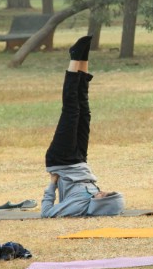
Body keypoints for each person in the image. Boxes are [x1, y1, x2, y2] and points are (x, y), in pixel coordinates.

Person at [40, 36, 125, 217]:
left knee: (71, 110)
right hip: (80, 161)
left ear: (101, 204)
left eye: (105, 196)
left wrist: (52, 183)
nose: (103, 192)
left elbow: (46, 213)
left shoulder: (80, 207)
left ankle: (74, 58)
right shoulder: (94, 192)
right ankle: (83, 58)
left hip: (61, 161)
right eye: (108, 193)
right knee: (84, 111)